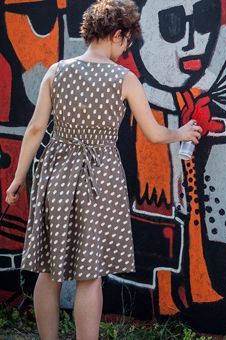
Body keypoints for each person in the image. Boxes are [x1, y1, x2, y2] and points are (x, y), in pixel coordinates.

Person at [3, 1, 202, 339]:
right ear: (117, 34)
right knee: (90, 275)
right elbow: (154, 133)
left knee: (48, 272)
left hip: (56, 173)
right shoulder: (124, 79)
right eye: (126, 42)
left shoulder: (56, 72)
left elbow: (36, 129)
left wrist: (18, 179)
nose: (126, 50)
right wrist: (180, 133)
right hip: (101, 178)